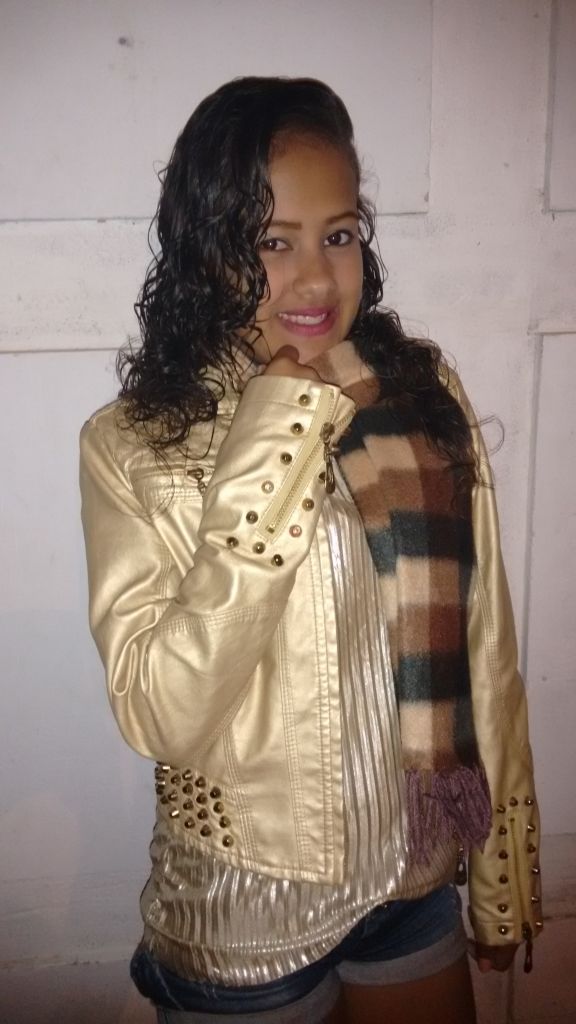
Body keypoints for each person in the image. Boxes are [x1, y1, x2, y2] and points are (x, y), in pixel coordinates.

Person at [80, 77, 541, 1024]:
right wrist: (276, 435)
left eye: (338, 234)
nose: (318, 279)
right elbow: (162, 712)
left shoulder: (419, 391)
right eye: (272, 241)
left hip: (415, 878)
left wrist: (499, 868)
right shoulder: (135, 443)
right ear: (208, 249)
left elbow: (486, 650)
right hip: (245, 913)